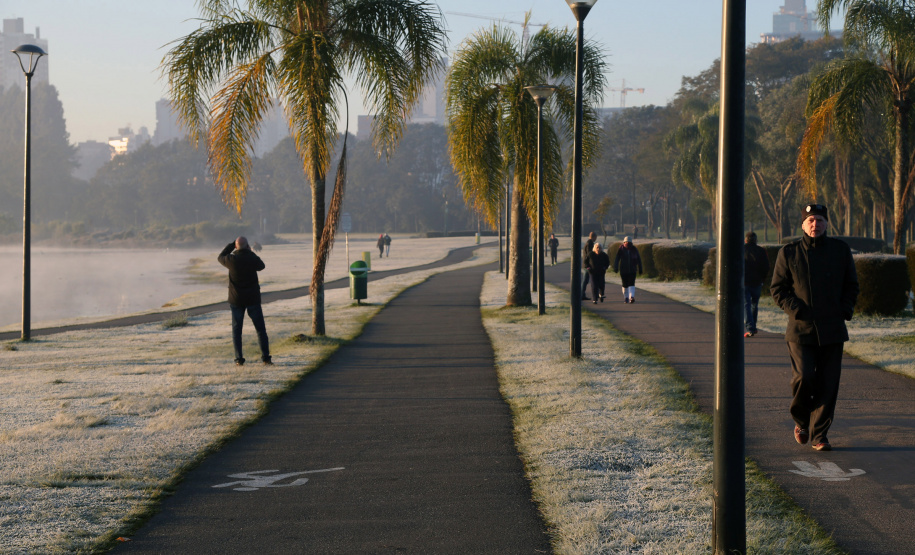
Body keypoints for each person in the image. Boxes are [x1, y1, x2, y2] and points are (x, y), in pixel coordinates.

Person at [770, 204, 858, 452]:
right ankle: (801, 421)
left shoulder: (840, 251)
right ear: (803, 225)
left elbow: (852, 285)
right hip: (800, 330)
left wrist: (844, 310)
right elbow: (778, 289)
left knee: (828, 384)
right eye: (810, 220)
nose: (815, 225)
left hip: (832, 329)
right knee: (804, 377)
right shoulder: (789, 253)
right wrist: (796, 309)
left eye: (819, 220)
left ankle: (820, 436)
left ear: (827, 224)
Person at [218, 236, 272, 366]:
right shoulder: (251, 258)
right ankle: (265, 358)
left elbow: (221, 256)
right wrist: (250, 251)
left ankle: (239, 360)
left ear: (236, 246)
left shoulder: (231, 260)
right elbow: (262, 266)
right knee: (260, 330)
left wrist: (232, 245)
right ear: (247, 246)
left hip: (236, 299)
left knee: (237, 331)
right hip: (252, 298)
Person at [744, 231, 770, 337]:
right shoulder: (761, 250)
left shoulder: (741, 249)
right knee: (754, 304)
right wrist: (763, 279)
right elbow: (766, 266)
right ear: (756, 240)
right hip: (758, 281)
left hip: (744, 281)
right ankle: (753, 326)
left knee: (746, 304)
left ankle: (750, 327)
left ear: (746, 240)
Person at [613, 236, 643, 303]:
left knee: (631, 283)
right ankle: (626, 297)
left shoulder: (634, 249)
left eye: (629, 242)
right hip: (623, 270)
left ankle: (631, 297)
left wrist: (640, 268)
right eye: (626, 242)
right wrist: (616, 267)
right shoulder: (621, 249)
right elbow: (617, 259)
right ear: (624, 242)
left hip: (632, 269)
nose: (627, 243)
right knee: (625, 284)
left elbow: (638, 259)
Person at [580, 231, 597, 301]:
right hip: (587, 265)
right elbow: (590, 254)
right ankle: (581, 294)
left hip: (585, 264)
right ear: (593, 237)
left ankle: (582, 294)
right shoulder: (590, 244)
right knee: (585, 280)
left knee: (585, 280)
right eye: (595, 237)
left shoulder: (588, 243)